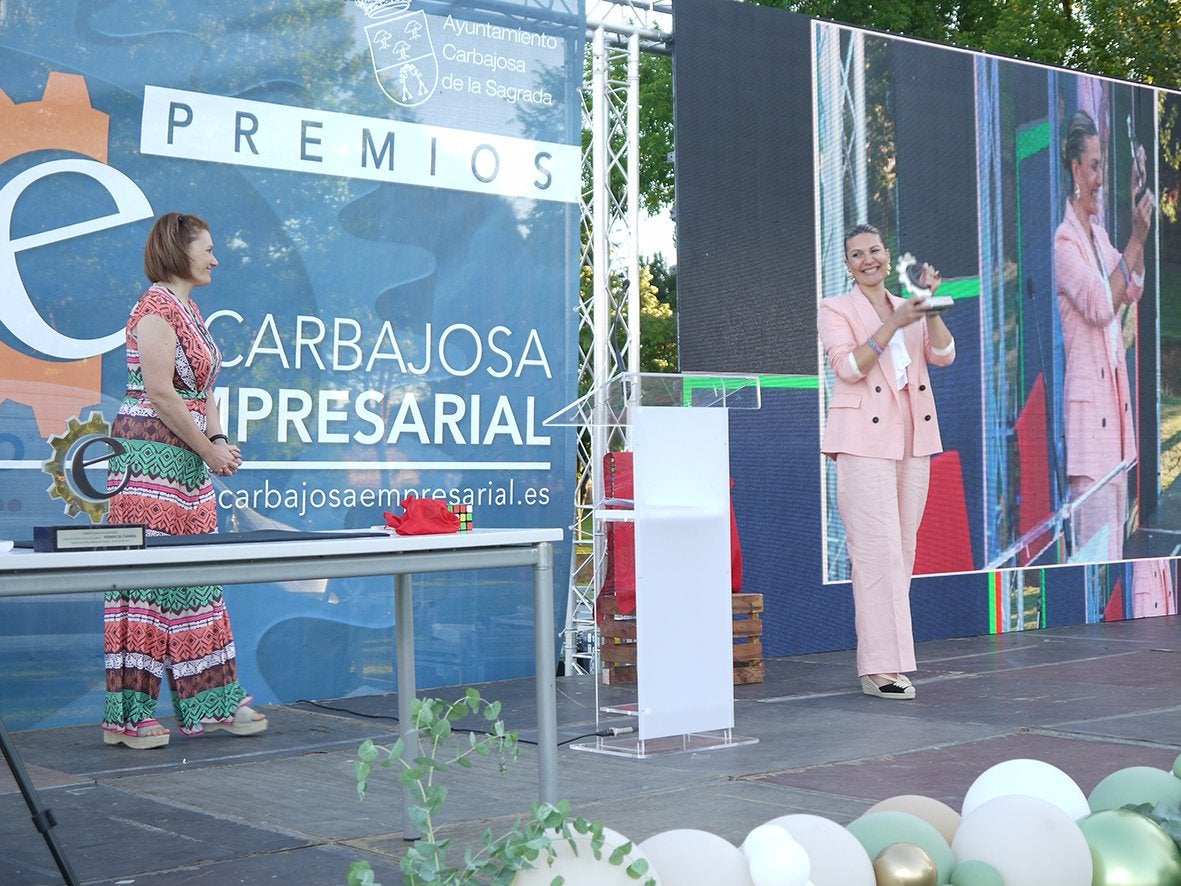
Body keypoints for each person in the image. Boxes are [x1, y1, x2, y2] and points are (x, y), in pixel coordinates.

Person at [102, 212, 267, 749]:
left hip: (189, 465)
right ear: (180, 251)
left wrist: (216, 443)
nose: (216, 259)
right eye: (208, 249)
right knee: (145, 584)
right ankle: (129, 718)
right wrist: (206, 448)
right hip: (148, 461)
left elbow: (202, 389)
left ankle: (212, 703)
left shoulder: (189, 310)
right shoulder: (154, 308)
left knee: (198, 578)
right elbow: (160, 393)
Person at [818, 224, 956, 699]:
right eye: (857, 255)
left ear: (886, 253)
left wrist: (930, 304)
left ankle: (892, 662)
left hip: (913, 437)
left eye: (874, 250)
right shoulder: (836, 309)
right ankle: (878, 669)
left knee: (901, 551)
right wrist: (892, 324)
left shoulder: (909, 305)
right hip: (862, 441)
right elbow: (848, 367)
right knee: (875, 554)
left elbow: (944, 353)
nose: (867, 259)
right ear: (848, 265)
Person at [1054, 109, 1154, 563]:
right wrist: (1134, 241)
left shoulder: (1097, 235)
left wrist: (1141, 230)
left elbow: (1133, 287)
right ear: (1075, 169)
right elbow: (1099, 303)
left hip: (1113, 424)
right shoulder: (1065, 243)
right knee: (1093, 561)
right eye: (1094, 167)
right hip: (1089, 429)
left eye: (1103, 167)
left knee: (1113, 555)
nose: (1099, 177)